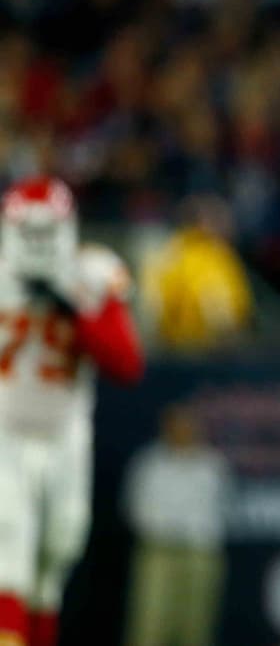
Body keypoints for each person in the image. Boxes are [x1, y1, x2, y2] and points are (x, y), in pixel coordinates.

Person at [0, 175, 146, 646]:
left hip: (66, 435)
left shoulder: (91, 273)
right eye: (29, 232)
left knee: (56, 557)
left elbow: (126, 364)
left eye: (47, 231)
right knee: (9, 553)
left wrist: (75, 305)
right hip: (5, 432)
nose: (38, 243)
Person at [122, 402, 233, 646]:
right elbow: (134, 508)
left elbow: (225, 508)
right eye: (178, 425)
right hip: (158, 553)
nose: (183, 430)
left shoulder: (213, 465)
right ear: (166, 428)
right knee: (149, 625)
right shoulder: (149, 463)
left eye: (189, 425)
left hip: (200, 555)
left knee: (196, 628)